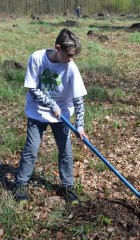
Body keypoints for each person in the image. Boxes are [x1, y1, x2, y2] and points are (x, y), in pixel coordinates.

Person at [14, 28, 87, 204]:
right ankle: (20, 185)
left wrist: (80, 125)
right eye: (68, 55)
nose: (70, 59)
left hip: (62, 114)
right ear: (57, 47)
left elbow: (78, 99)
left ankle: (68, 186)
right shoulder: (37, 58)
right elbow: (32, 88)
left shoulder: (71, 67)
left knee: (66, 152)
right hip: (37, 111)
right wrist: (51, 104)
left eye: (73, 56)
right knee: (31, 149)